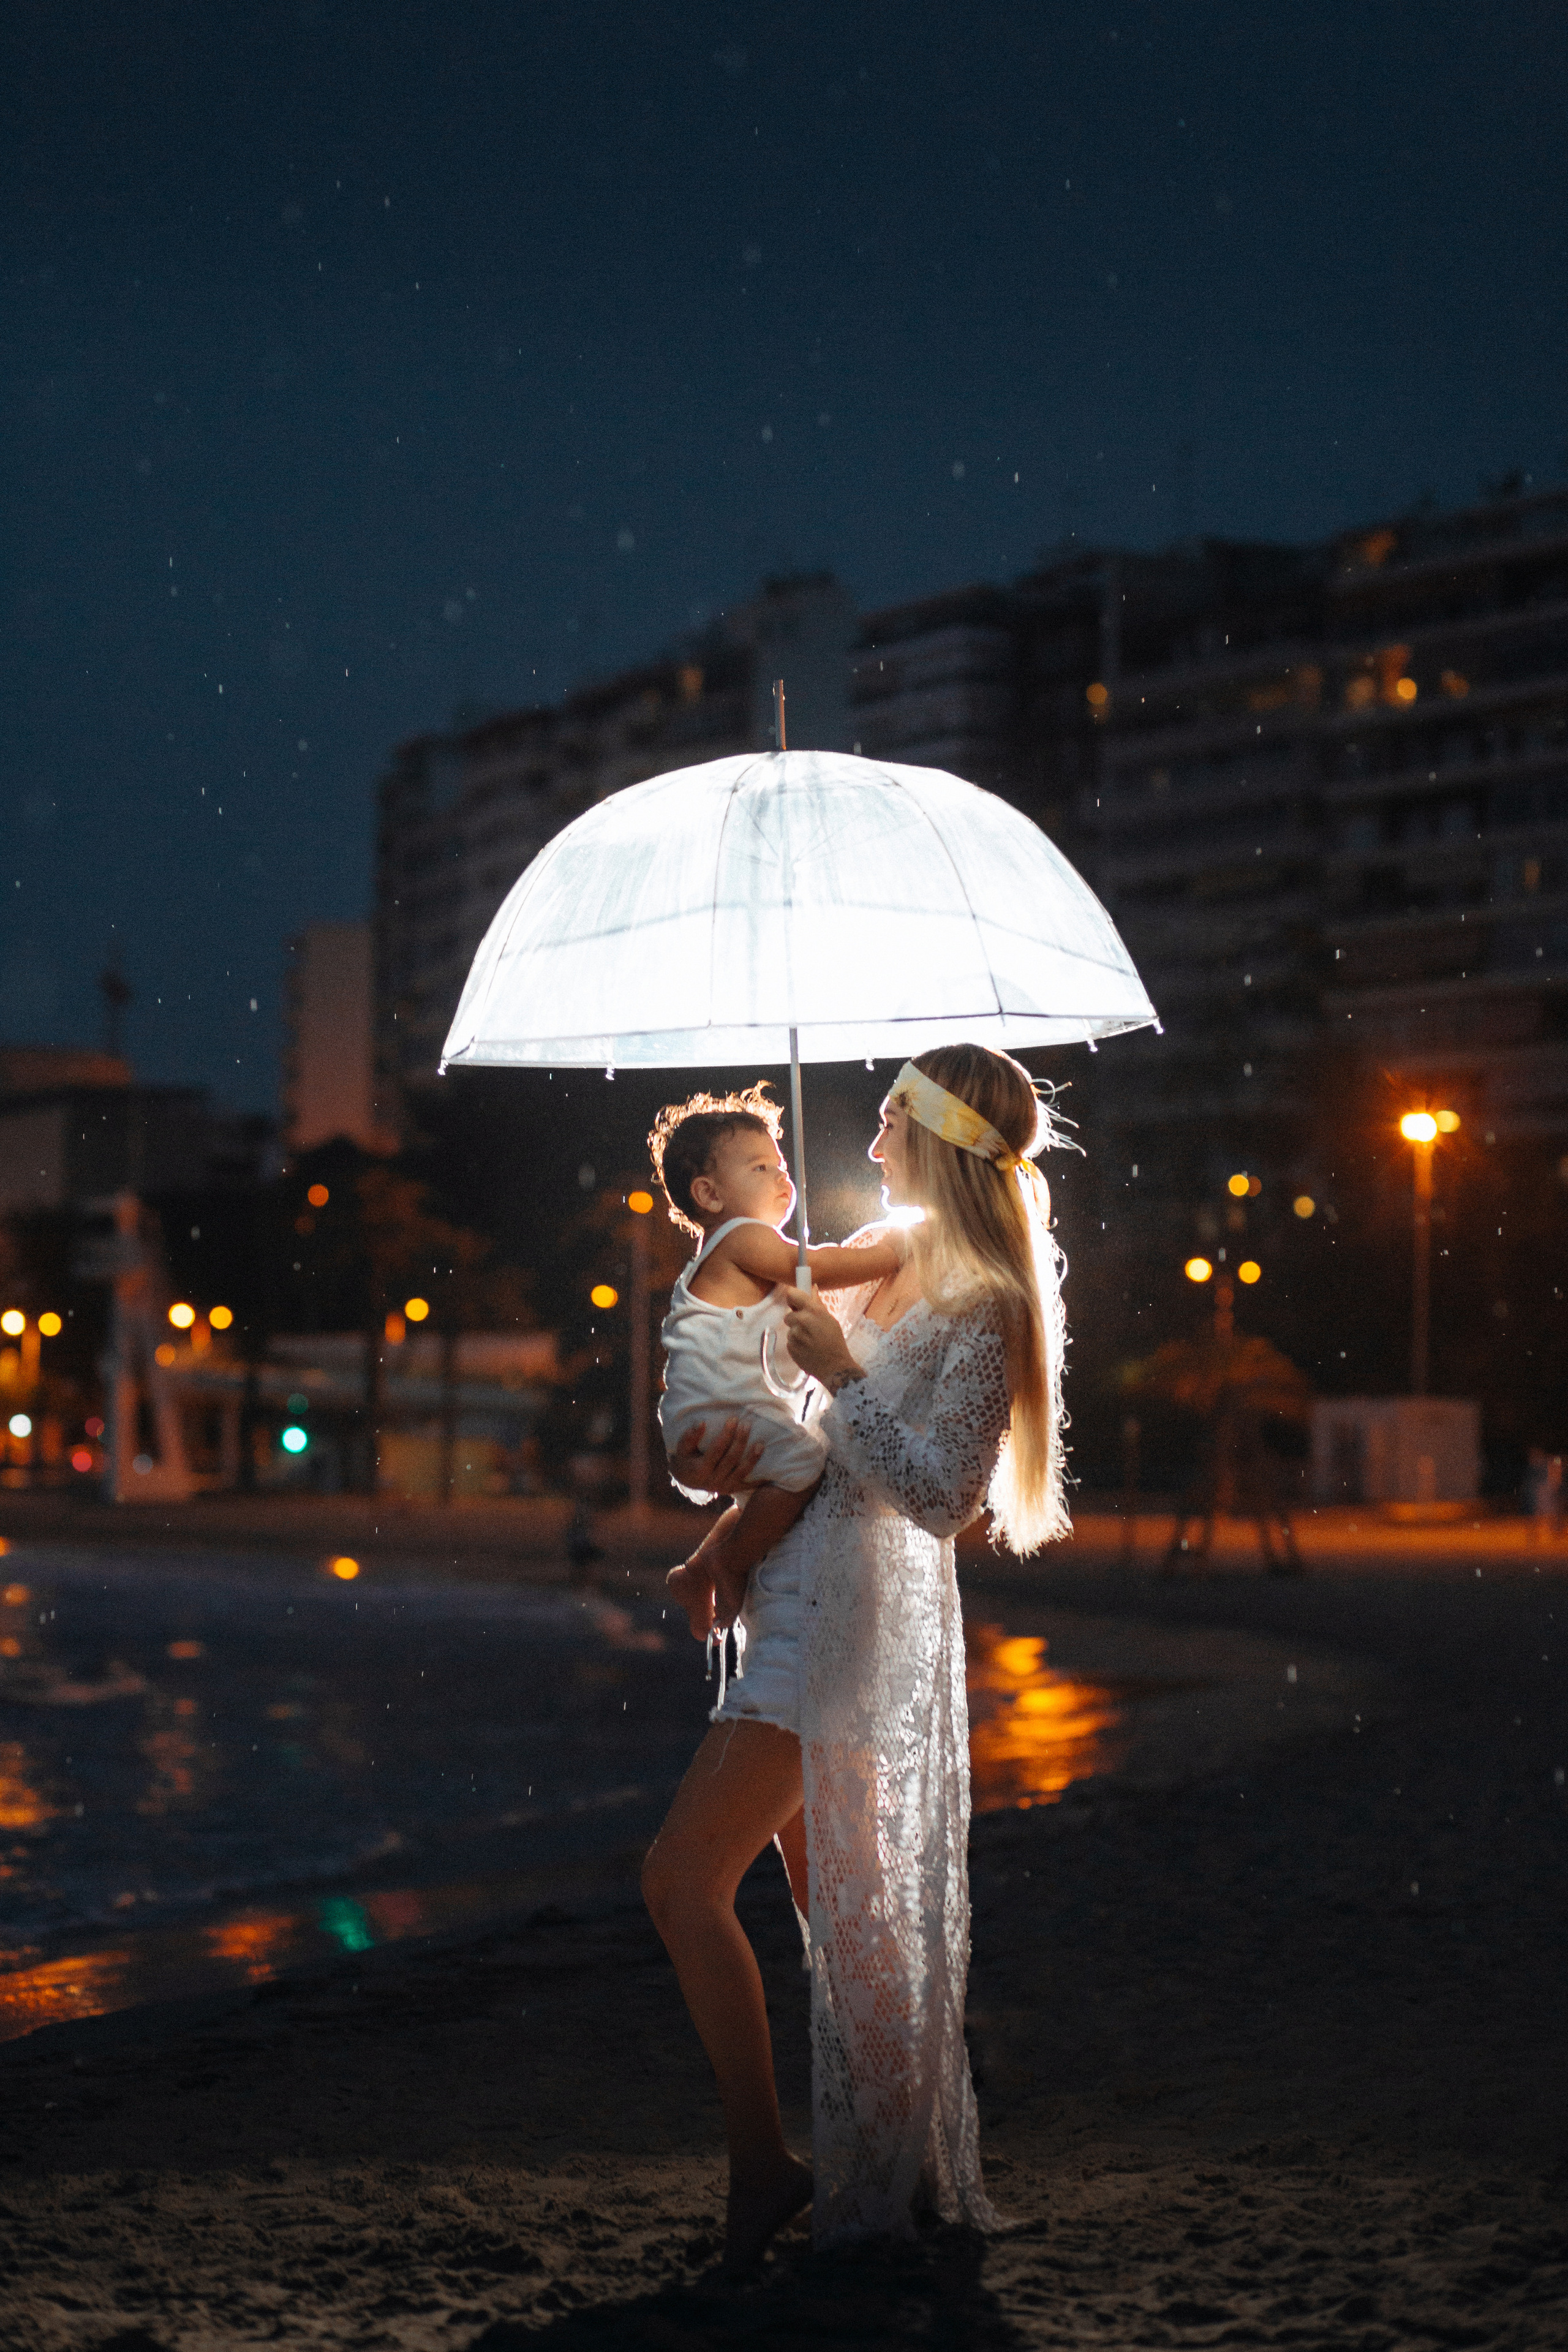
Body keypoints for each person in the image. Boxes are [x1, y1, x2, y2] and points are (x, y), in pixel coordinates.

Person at [640, 1043, 1069, 2270]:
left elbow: (938, 1497)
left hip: (847, 1617)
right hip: (788, 1600)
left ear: (937, 1135)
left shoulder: (984, 1298)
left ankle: (762, 2165)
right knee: (841, 1905)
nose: (870, 1143)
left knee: (680, 1881)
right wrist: (717, 1500)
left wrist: (839, 1372)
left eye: (889, 1121)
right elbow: (790, 1442)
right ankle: (902, 2161)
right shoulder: (875, 1255)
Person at [648, 1084, 907, 1643]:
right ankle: (730, 1562)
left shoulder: (736, 1250)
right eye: (760, 1168)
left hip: (706, 1415)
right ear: (709, 1194)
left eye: (781, 1165)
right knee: (804, 1462)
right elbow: (816, 1267)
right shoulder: (742, 1238)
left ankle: (697, 1569)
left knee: (774, 1483)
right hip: (718, 1414)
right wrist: (892, 1254)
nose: (781, 1177)